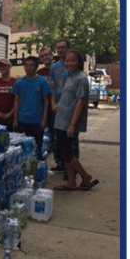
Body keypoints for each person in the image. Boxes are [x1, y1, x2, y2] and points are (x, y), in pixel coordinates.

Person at [52, 50, 98, 191]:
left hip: (68, 122)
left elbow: (80, 102)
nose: (69, 63)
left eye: (73, 61)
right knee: (64, 153)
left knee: (67, 153)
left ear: (79, 63)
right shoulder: (70, 77)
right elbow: (68, 99)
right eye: (67, 61)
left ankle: (85, 176)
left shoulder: (81, 78)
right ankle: (71, 183)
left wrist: (72, 124)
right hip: (61, 120)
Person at [11, 56, 52, 161]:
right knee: (22, 148)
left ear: (36, 67)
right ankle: (25, 172)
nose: (29, 67)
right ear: (24, 67)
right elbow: (16, 101)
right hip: (22, 120)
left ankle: (36, 170)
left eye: (32, 65)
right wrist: (15, 119)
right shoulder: (19, 82)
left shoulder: (42, 82)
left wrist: (44, 119)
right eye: (27, 65)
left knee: (37, 147)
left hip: (37, 121)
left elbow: (46, 101)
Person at [48, 39, 73, 173]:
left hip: (69, 108)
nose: (61, 50)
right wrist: (52, 103)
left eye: (63, 47)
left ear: (68, 48)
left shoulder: (72, 66)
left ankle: (72, 167)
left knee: (70, 139)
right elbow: (52, 88)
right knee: (57, 137)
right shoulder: (54, 67)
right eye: (58, 48)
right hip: (56, 107)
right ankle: (60, 163)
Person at [0, 58, 18, 130]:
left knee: (11, 138)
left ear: (9, 67)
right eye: (0, 66)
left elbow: (18, 99)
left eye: (4, 66)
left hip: (11, 118)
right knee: (0, 138)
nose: (2, 68)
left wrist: (10, 113)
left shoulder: (15, 81)